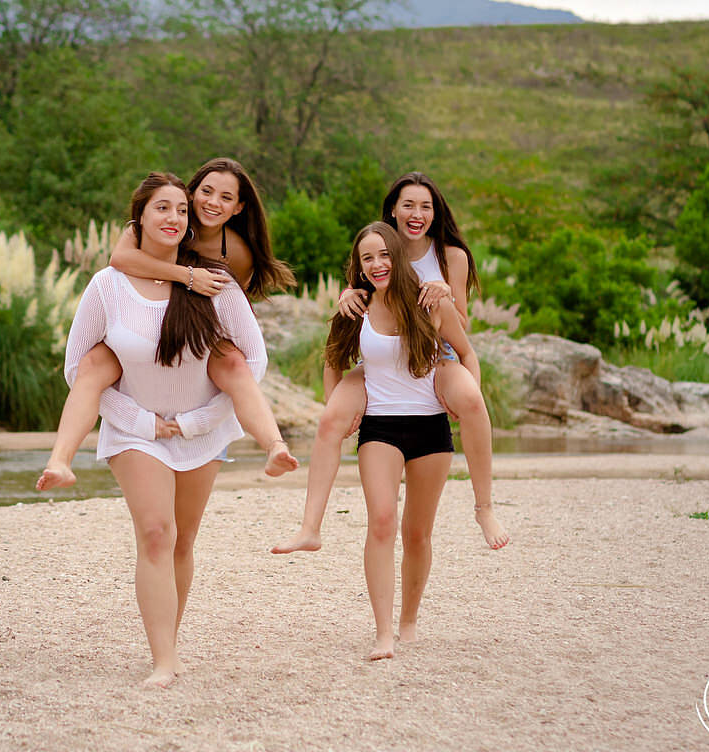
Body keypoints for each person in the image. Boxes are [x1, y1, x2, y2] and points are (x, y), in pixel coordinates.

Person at [37, 173, 277, 686]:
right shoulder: (108, 285)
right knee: (155, 533)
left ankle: (168, 637)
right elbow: (77, 367)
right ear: (139, 218)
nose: (174, 218)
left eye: (180, 211)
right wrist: (139, 421)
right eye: (162, 209)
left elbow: (250, 360)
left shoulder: (213, 279)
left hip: (198, 431)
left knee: (183, 541)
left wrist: (195, 422)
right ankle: (164, 660)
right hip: (134, 431)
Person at [272, 172, 507, 552]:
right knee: (331, 417)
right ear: (393, 211)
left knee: (472, 401)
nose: (417, 213)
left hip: (435, 356)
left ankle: (484, 507)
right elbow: (361, 291)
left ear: (436, 212)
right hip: (380, 358)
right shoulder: (380, 245)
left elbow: (459, 326)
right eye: (408, 205)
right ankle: (309, 527)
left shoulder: (451, 256)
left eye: (426, 206)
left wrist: (443, 293)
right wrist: (347, 293)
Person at [284, 222, 485, 660]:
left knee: (417, 534)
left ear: (399, 255)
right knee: (381, 522)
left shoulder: (429, 302)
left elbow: (465, 351)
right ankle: (382, 634)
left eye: (383, 255)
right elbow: (333, 360)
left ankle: (408, 621)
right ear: (357, 267)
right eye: (366, 258)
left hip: (431, 425)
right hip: (380, 428)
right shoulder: (355, 307)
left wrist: (465, 392)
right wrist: (336, 404)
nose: (377, 264)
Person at [37, 157, 297, 488]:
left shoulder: (236, 252)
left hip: (199, 321)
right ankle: (60, 460)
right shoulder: (162, 222)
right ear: (192, 193)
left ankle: (274, 445)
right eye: (206, 191)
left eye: (226, 197)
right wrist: (186, 276)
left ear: (239, 208)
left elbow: (229, 307)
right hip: (152, 307)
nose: (213, 203)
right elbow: (121, 259)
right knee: (99, 360)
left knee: (230, 360)